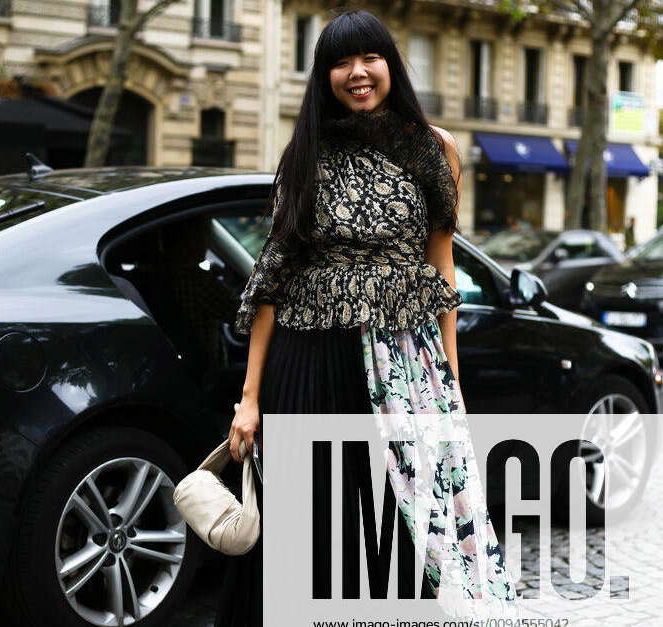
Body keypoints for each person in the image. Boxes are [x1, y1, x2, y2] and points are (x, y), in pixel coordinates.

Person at [215, 9, 519, 625]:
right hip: (308, 363)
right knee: (311, 525)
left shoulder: (435, 148)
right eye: (339, 63)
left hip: (406, 365)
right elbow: (272, 280)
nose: (356, 73)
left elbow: (442, 268)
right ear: (324, 76)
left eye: (369, 58)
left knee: (404, 525)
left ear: (390, 65)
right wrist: (250, 398)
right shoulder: (306, 153)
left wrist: (451, 379)